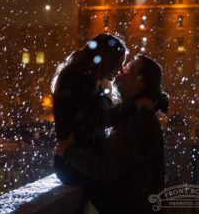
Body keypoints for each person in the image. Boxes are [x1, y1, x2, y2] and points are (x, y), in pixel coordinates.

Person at [56, 55, 168, 214]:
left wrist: (68, 151)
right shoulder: (136, 116)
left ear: (139, 84)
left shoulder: (135, 123)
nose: (121, 69)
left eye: (129, 68)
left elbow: (107, 170)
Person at [52, 34, 150, 185]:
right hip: (74, 165)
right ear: (107, 60)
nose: (119, 71)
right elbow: (99, 118)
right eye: (118, 64)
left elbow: (101, 115)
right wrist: (134, 106)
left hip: (78, 161)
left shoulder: (87, 80)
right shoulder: (76, 80)